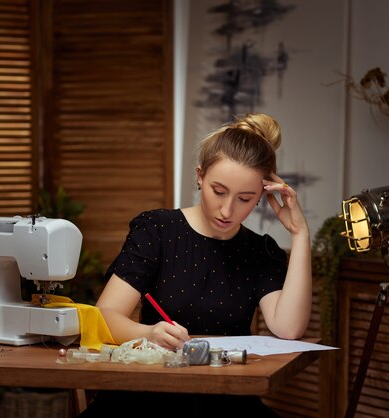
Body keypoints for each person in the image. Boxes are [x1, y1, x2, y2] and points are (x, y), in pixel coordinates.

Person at [79, 113, 312, 417]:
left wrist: (300, 233)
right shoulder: (157, 230)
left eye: (244, 198)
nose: (227, 210)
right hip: (150, 395)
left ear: (262, 196)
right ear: (200, 175)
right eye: (218, 191)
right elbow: (105, 315)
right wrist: (148, 334)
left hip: (225, 399)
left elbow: (289, 327)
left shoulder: (259, 251)